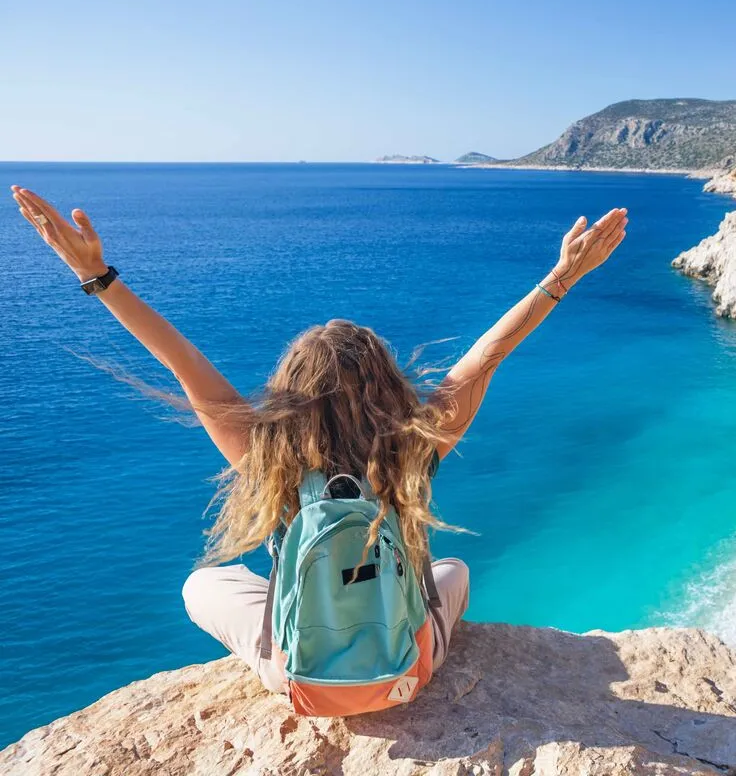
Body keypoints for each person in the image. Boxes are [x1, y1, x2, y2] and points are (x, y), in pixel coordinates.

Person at [10, 184, 628, 695]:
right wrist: (561, 276)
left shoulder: (265, 454)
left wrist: (96, 276)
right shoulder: (412, 449)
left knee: (202, 583)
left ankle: (298, 659)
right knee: (454, 570)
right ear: (387, 383)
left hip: (298, 680)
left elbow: (179, 360)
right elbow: (483, 360)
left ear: (289, 388)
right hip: (405, 673)